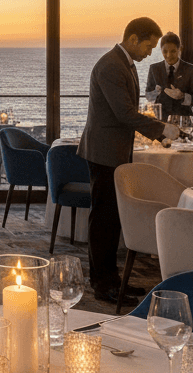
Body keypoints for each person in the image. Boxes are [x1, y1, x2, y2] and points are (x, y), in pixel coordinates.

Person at [77, 17, 179, 303]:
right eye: (148, 45)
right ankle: (102, 283)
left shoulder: (124, 64)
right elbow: (123, 113)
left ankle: (110, 278)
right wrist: (162, 130)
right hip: (104, 152)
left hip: (114, 151)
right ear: (133, 38)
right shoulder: (111, 65)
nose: (150, 52)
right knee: (104, 219)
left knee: (111, 219)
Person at [144, 32, 193, 121]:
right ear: (161, 50)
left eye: (173, 51)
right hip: (160, 120)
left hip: (183, 121)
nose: (168, 55)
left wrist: (182, 96)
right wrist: (155, 92)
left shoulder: (191, 70)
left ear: (180, 49)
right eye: (165, 51)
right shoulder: (154, 69)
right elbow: (148, 96)